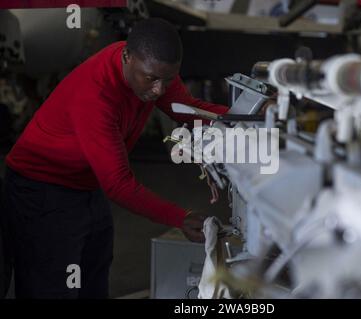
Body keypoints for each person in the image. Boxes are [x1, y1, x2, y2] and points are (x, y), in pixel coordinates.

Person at [1, 18, 228, 299]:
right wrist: (179, 217)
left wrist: (251, 119)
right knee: (52, 284)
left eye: (168, 80)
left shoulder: (152, 66)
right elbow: (118, 184)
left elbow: (187, 109)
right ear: (126, 57)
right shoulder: (96, 96)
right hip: (42, 189)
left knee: (94, 271)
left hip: (85, 181)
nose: (159, 90)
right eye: (152, 79)